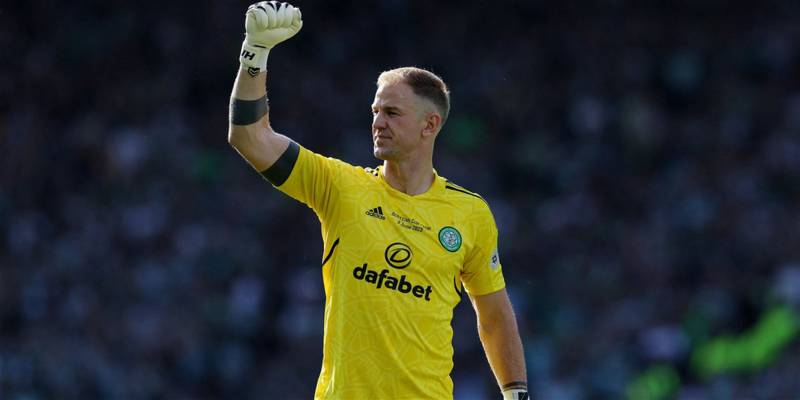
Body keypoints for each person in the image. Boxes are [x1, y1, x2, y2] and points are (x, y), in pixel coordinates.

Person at [228, 2, 528, 399]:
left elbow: (493, 314)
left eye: (391, 112)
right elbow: (249, 137)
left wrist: (515, 393)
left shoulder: (470, 214)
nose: (377, 122)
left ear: (430, 124)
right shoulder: (339, 186)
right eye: (375, 111)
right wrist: (255, 54)